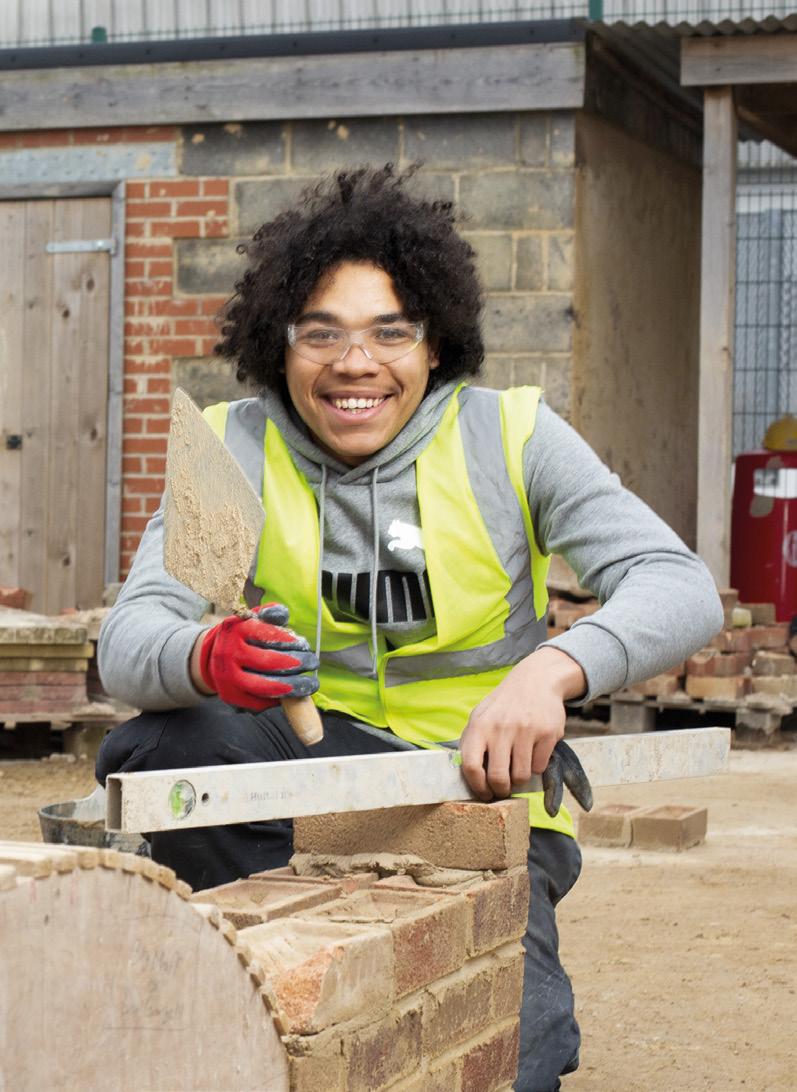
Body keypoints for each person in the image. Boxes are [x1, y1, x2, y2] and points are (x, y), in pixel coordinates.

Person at [97, 164, 722, 1091]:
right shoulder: (234, 447)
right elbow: (126, 643)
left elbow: (677, 584)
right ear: (279, 347)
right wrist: (202, 654)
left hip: (480, 797)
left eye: (391, 333)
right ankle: (277, 970)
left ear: (435, 345)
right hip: (310, 788)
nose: (356, 364)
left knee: (513, 1056)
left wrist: (550, 672)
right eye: (322, 334)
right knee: (168, 742)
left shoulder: (510, 436)